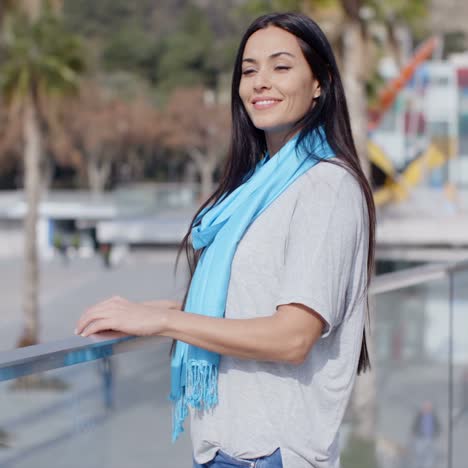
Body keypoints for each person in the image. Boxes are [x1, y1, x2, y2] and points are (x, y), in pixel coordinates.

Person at [74, 12, 376, 468]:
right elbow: (246, 304)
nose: (260, 82)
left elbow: (293, 336)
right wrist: (156, 311)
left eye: (280, 66)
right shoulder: (255, 189)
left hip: (270, 454)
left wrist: (166, 325)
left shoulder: (325, 186)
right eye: (249, 70)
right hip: (227, 449)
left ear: (320, 83)